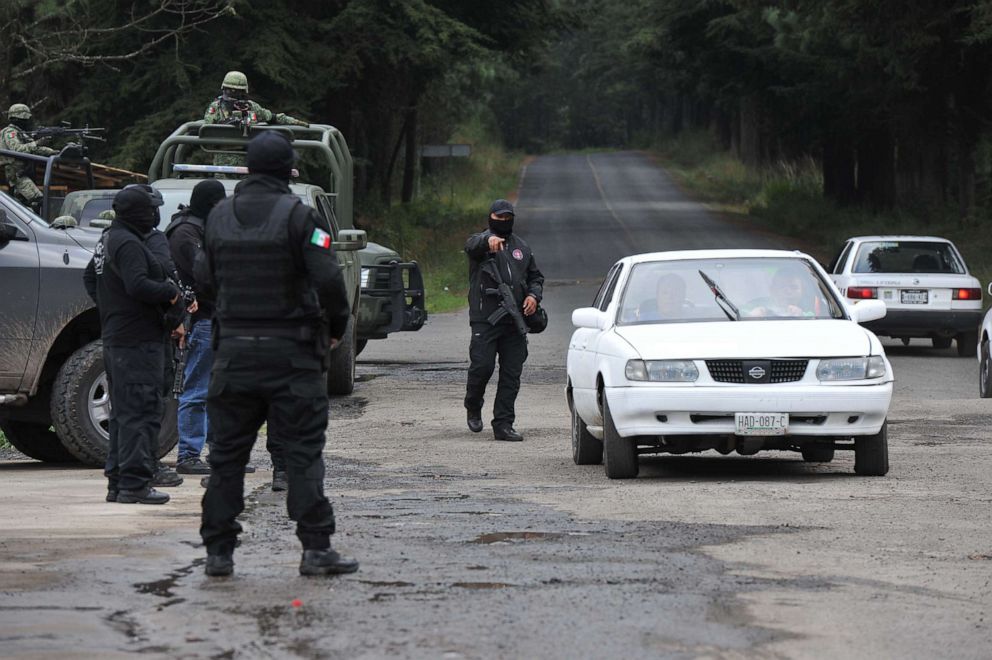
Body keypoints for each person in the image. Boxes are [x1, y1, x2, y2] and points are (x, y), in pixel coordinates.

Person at [196, 130, 358, 578]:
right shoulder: (300, 218)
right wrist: (337, 328)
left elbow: (202, 278)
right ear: (290, 171)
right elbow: (328, 281)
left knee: (227, 458)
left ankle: (218, 553)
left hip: (233, 354)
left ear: (246, 169)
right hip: (292, 356)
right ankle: (315, 550)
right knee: (303, 453)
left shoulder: (217, 217)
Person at [82, 185, 183, 505]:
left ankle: (119, 482)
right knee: (141, 412)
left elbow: (90, 278)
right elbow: (138, 284)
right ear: (139, 212)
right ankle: (136, 484)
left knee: (124, 414)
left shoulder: (110, 239)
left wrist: (112, 310)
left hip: (120, 338)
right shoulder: (127, 242)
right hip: (137, 342)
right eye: (151, 209)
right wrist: (169, 294)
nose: (155, 215)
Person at [463, 199, 544, 442]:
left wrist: (533, 296)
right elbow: (471, 246)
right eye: (499, 218)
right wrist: (487, 242)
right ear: (490, 218)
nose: (503, 222)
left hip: (514, 320)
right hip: (485, 319)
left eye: (507, 218)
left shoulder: (522, 247)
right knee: (483, 366)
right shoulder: (481, 243)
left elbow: (536, 277)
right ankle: (473, 404)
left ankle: (504, 423)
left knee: (511, 374)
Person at [164, 180, 227, 476]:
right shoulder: (186, 231)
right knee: (197, 390)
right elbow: (204, 274)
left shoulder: (203, 227)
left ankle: (219, 452)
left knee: (219, 391)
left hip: (218, 317)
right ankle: (189, 454)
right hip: (201, 319)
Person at [0, 104, 57, 212]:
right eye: (25, 118)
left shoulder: (21, 133)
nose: (27, 121)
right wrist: (37, 143)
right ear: (17, 118)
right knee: (39, 201)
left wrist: (53, 152)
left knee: (22, 207)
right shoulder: (10, 132)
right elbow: (17, 149)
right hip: (17, 175)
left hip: (23, 173)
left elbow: (34, 149)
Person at [745, 268, 812, 318]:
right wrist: (750, 316)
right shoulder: (755, 304)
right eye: (782, 286)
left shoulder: (811, 311)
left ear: (802, 291)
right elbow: (739, 313)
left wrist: (801, 316)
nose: (788, 291)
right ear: (772, 290)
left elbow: (813, 318)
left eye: (794, 287)